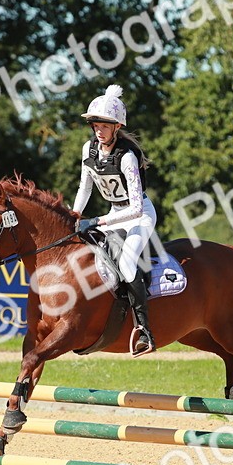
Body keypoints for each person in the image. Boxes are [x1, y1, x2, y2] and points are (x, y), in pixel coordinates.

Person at [71, 84, 157, 356]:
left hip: (139, 216)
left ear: (117, 127)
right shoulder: (89, 149)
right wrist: (73, 216)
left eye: (105, 125)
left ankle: (144, 330)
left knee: (128, 264)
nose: (99, 129)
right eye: (96, 124)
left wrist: (98, 221)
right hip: (112, 214)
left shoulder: (127, 157)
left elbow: (134, 208)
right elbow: (84, 188)